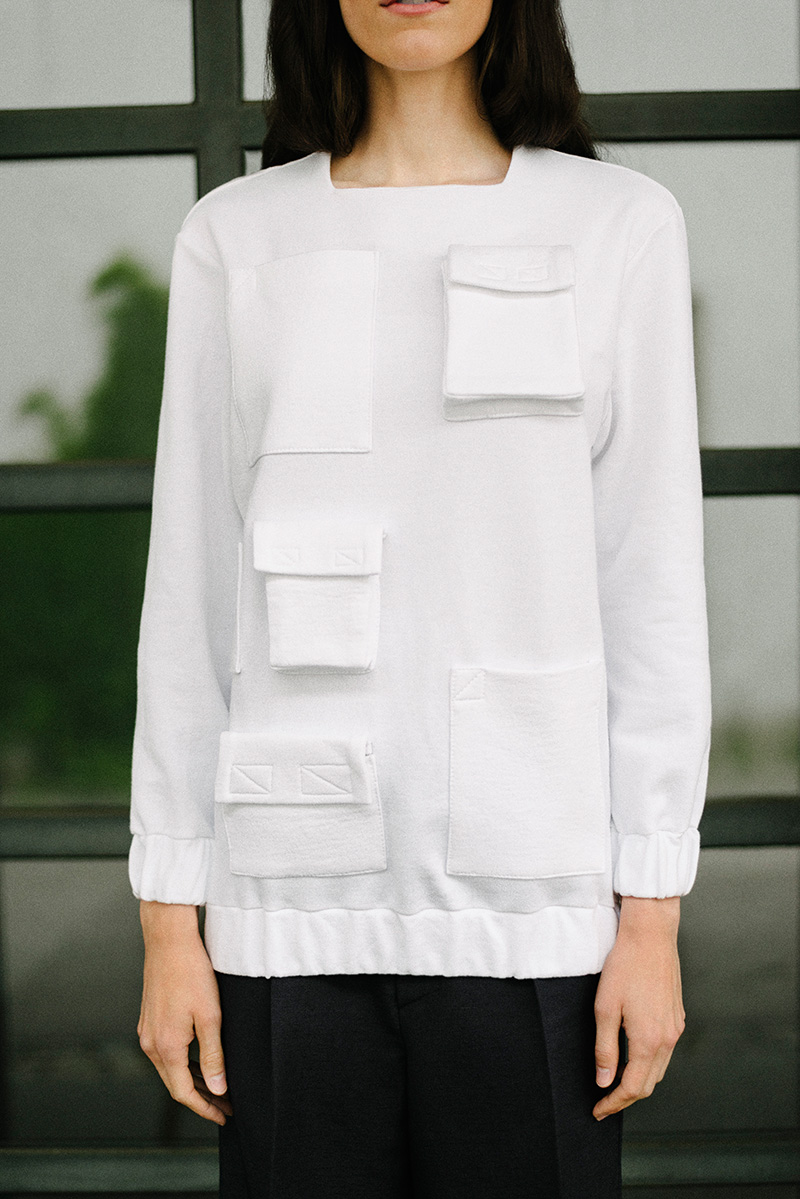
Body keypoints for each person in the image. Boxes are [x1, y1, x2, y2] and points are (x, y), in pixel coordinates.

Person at [129, 0, 712, 1195]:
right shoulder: (236, 235)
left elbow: (647, 580)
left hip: (538, 909)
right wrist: (167, 918)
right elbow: (191, 588)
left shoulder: (618, 225)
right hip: (283, 910)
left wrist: (649, 911)